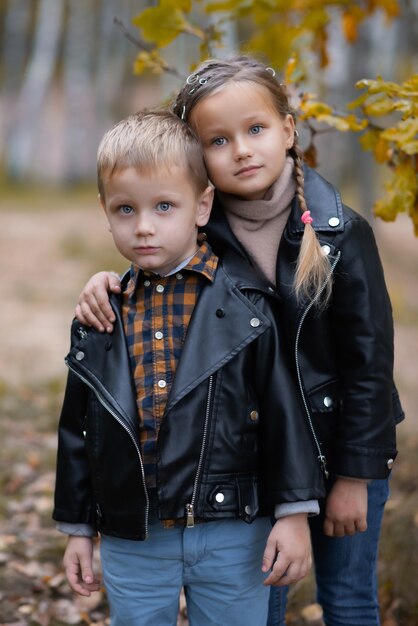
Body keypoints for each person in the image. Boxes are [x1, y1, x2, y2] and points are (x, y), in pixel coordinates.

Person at [74, 56, 404, 626]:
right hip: (256, 458)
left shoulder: (338, 233)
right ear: (199, 160)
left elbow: (370, 366)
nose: (243, 150)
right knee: (262, 602)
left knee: (348, 598)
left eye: (256, 129)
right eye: (219, 140)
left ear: (288, 130)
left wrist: (355, 476)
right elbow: (153, 274)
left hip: (340, 445)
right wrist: (105, 284)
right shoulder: (204, 234)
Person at [53, 109, 325, 626]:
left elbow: (284, 413)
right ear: (105, 212)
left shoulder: (247, 305)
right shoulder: (99, 314)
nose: (145, 226)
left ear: (202, 206)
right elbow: (77, 430)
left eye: (164, 206)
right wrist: (78, 528)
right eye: (125, 210)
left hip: (232, 530)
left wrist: (293, 514)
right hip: (136, 533)